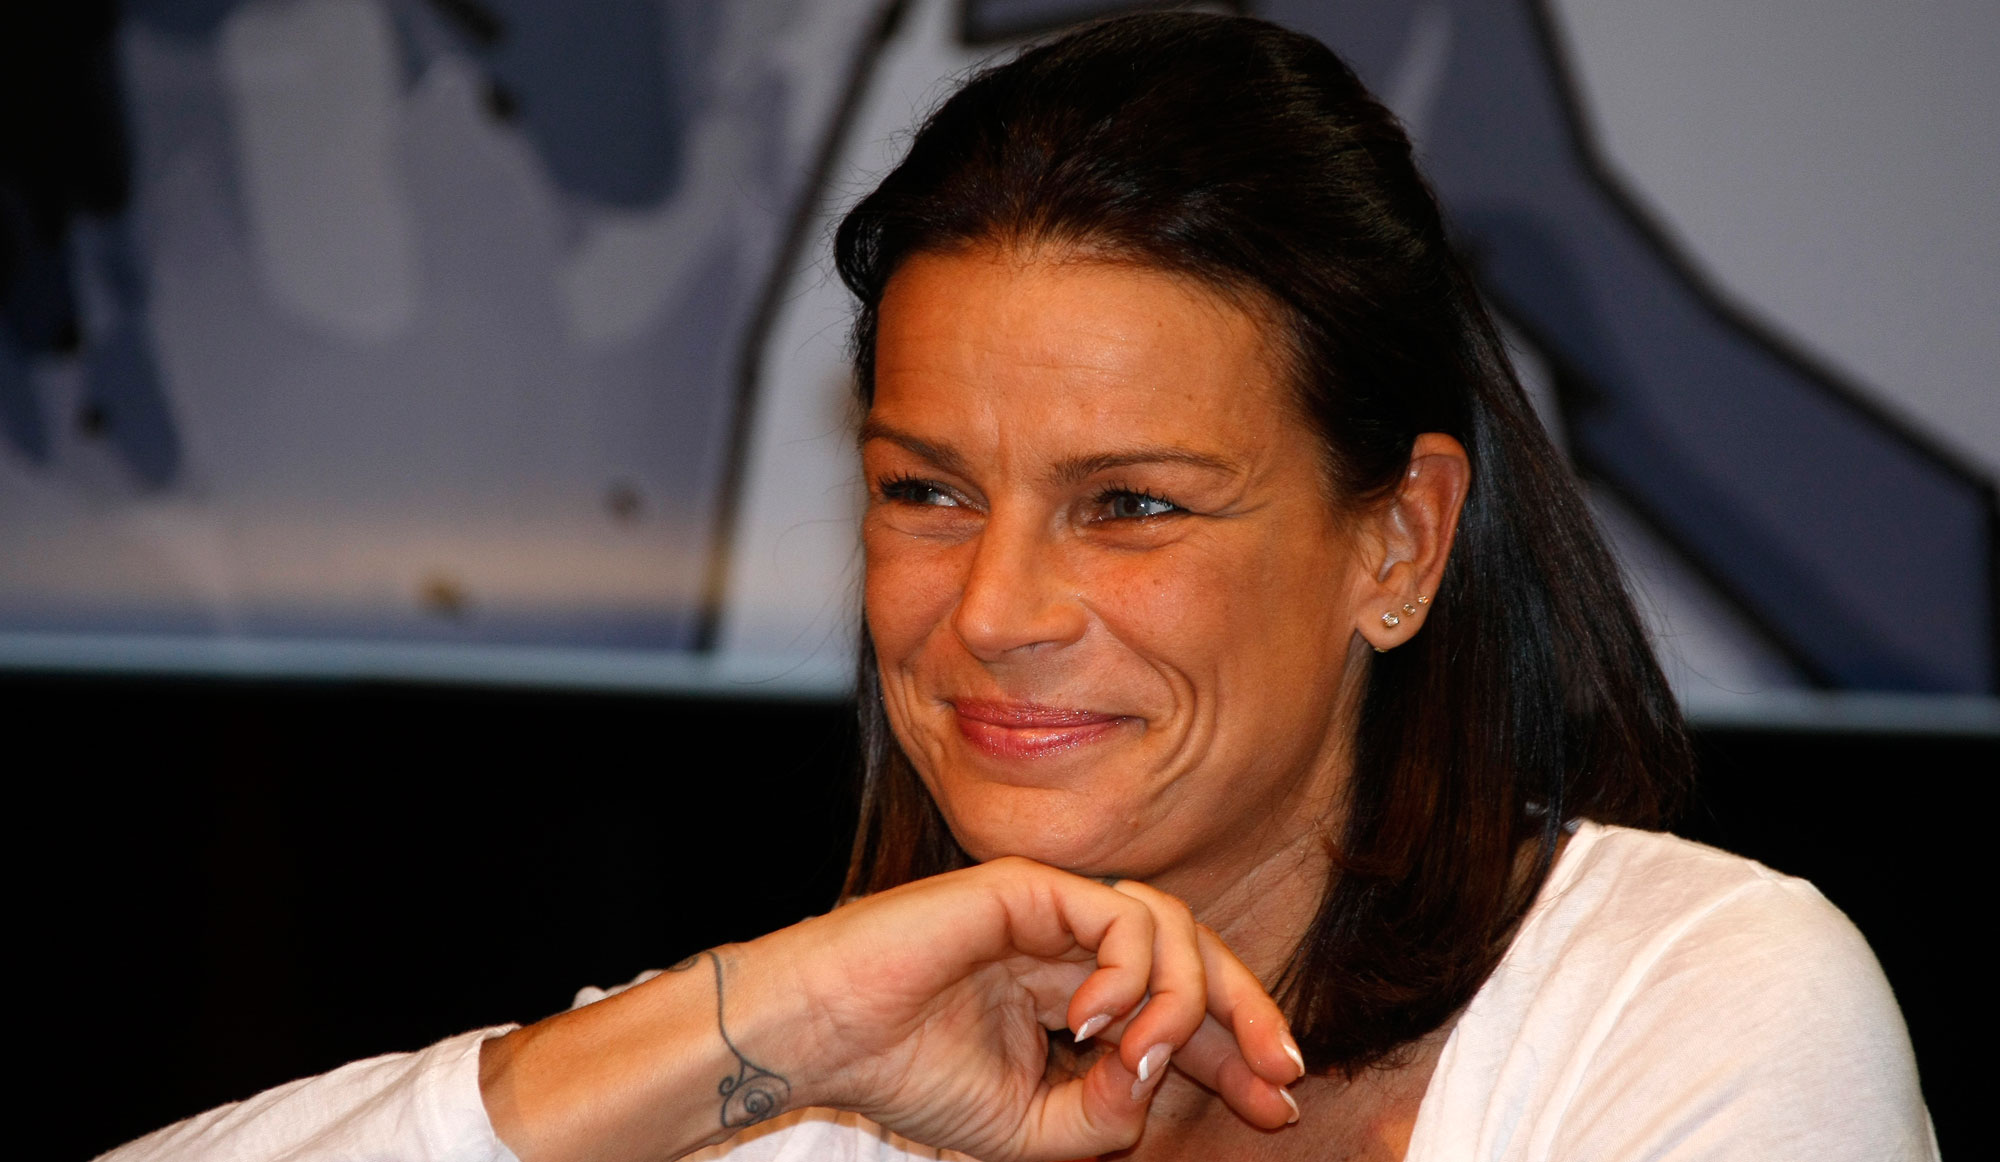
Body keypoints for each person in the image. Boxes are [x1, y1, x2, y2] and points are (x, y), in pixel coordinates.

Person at [102, 13, 1935, 1162]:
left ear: (1399, 542)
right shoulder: (842, 1062)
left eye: (1128, 504)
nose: (990, 610)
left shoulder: (1688, 997)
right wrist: (766, 1029)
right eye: (926, 491)